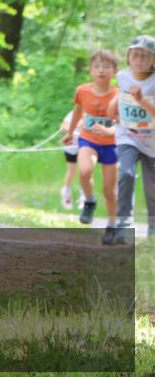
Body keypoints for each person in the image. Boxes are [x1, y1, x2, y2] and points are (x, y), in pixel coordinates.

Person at [62, 49, 119, 242]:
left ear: (115, 71)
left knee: (109, 190)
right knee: (85, 171)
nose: (101, 70)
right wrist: (70, 133)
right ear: (91, 70)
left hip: (111, 145)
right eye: (97, 66)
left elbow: (123, 124)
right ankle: (89, 201)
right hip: (88, 139)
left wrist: (109, 131)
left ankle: (112, 225)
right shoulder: (82, 91)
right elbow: (77, 111)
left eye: (106, 67)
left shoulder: (119, 94)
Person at [109, 35, 155, 243]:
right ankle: (124, 225)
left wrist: (141, 101)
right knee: (126, 173)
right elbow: (121, 95)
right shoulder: (123, 76)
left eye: (145, 56)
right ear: (128, 57)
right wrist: (112, 107)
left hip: (152, 141)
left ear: (153, 60)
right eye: (135, 55)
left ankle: (153, 229)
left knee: (152, 188)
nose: (139, 60)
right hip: (128, 135)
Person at [59, 110, 85, 210]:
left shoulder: (92, 112)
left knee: (84, 171)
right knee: (71, 172)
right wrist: (73, 129)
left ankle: (84, 195)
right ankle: (66, 192)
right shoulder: (72, 114)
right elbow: (63, 127)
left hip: (85, 146)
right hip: (71, 146)